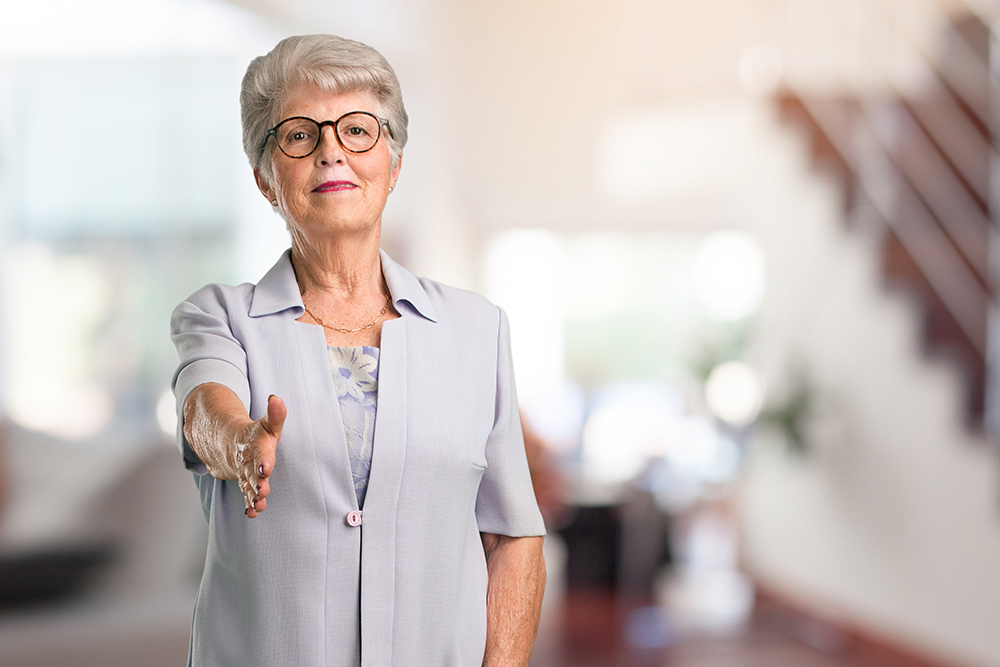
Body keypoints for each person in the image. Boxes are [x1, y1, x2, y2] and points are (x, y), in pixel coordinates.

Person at [171, 34, 546, 666]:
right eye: (299, 135)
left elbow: (512, 535)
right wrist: (238, 442)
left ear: (393, 167)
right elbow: (206, 405)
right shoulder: (219, 315)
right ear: (265, 178)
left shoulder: (477, 330)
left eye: (358, 131)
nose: (330, 153)